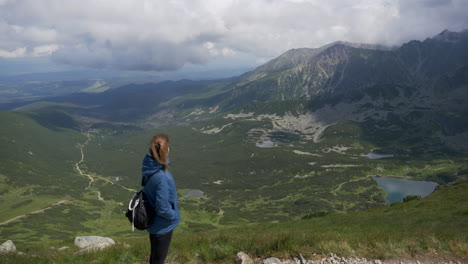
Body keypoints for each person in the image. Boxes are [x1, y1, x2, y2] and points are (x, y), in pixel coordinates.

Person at [141, 134, 180, 264]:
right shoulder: (162, 177)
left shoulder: (150, 168)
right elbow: (162, 208)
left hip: (154, 222)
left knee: (155, 257)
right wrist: (173, 216)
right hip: (162, 225)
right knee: (158, 260)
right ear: (166, 150)